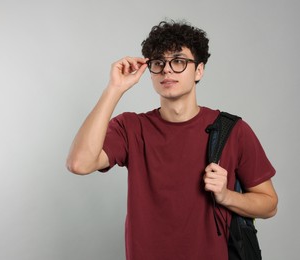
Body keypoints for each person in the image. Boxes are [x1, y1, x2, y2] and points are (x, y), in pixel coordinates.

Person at [66, 20, 278, 260]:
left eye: (178, 61)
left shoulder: (232, 130)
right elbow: (79, 163)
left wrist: (225, 195)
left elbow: (269, 204)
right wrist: (115, 88)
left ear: (199, 70)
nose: (167, 70)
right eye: (159, 63)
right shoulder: (131, 128)